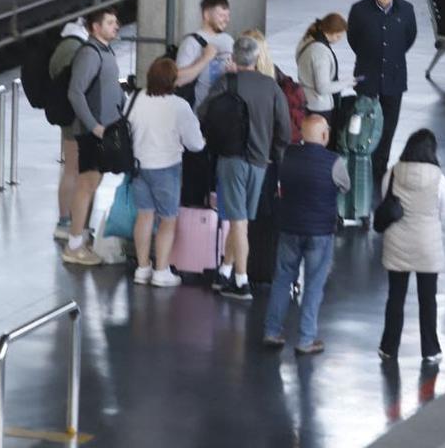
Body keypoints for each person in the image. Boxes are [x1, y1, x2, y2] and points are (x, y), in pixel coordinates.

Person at [198, 35, 291, 301]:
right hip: (260, 162)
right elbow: (284, 128)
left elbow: (203, 113)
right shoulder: (272, 86)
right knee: (241, 221)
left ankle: (242, 281)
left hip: (231, 159)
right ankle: (224, 272)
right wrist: (274, 154)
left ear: (235, 58)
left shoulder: (226, 82)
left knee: (238, 223)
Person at [262, 115, 351, 356]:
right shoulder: (334, 162)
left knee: (282, 279)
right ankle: (305, 339)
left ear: (301, 134)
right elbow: (345, 186)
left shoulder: (287, 156)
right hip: (320, 232)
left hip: (289, 228)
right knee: (314, 284)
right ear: (324, 136)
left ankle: (272, 330)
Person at [127, 58, 206, 287]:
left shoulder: (135, 98)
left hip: (138, 166)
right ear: (173, 81)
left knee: (144, 215)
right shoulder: (179, 106)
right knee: (167, 220)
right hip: (166, 169)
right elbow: (195, 144)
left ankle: (142, 269)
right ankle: (161, 270)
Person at [377, 129, 445, 365]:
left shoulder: (392, 173)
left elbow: (385, 202)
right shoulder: (439, 178)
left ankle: (388, 347)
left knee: (395, 298)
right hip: (427, 247)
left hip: (396, 245)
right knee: (427, 300)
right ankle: (430, 349)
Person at [62, 6, 124, 266]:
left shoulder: (105, 51)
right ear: (95, 28)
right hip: (93, 132)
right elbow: (75, 92)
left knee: (92, 183)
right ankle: (74, 244)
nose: (116, 26)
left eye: (115, 21)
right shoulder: (90, 54)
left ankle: (79, 238)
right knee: (87, 184)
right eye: (110, 22)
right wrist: (94, 125)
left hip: (104, 129)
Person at [347, 0, 417, 183]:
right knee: (364, 123)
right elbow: (354, 39)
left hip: (394, 79)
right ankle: (361, 164)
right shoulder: (359, 10)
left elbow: (409, 37)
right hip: (368, 77)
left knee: (389, 126)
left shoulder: (406, 10)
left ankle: (379, 167)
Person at [49, 17, 87, 241]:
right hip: (76, 119)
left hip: (68, 116)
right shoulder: (76, 49)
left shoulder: (64, 45)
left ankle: (68, 220)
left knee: (71, 170)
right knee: (74, 170)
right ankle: (67, 221)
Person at [174, 0, 231, 107]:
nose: (226, 20)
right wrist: (205, 59)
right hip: (198, 116)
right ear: (206, 15)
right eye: (221, 15)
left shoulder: (229, 40)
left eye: (228, 15)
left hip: (222, 113)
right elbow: (178, 80)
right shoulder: (191, 42)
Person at [296, 14, 352, 122]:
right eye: (339, 36)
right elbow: (322, 88)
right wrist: (347, 83)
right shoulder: (320, 52)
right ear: (333, 33)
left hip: (305, 100)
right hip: (319, 106)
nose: (339, 40)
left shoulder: (306, 40)